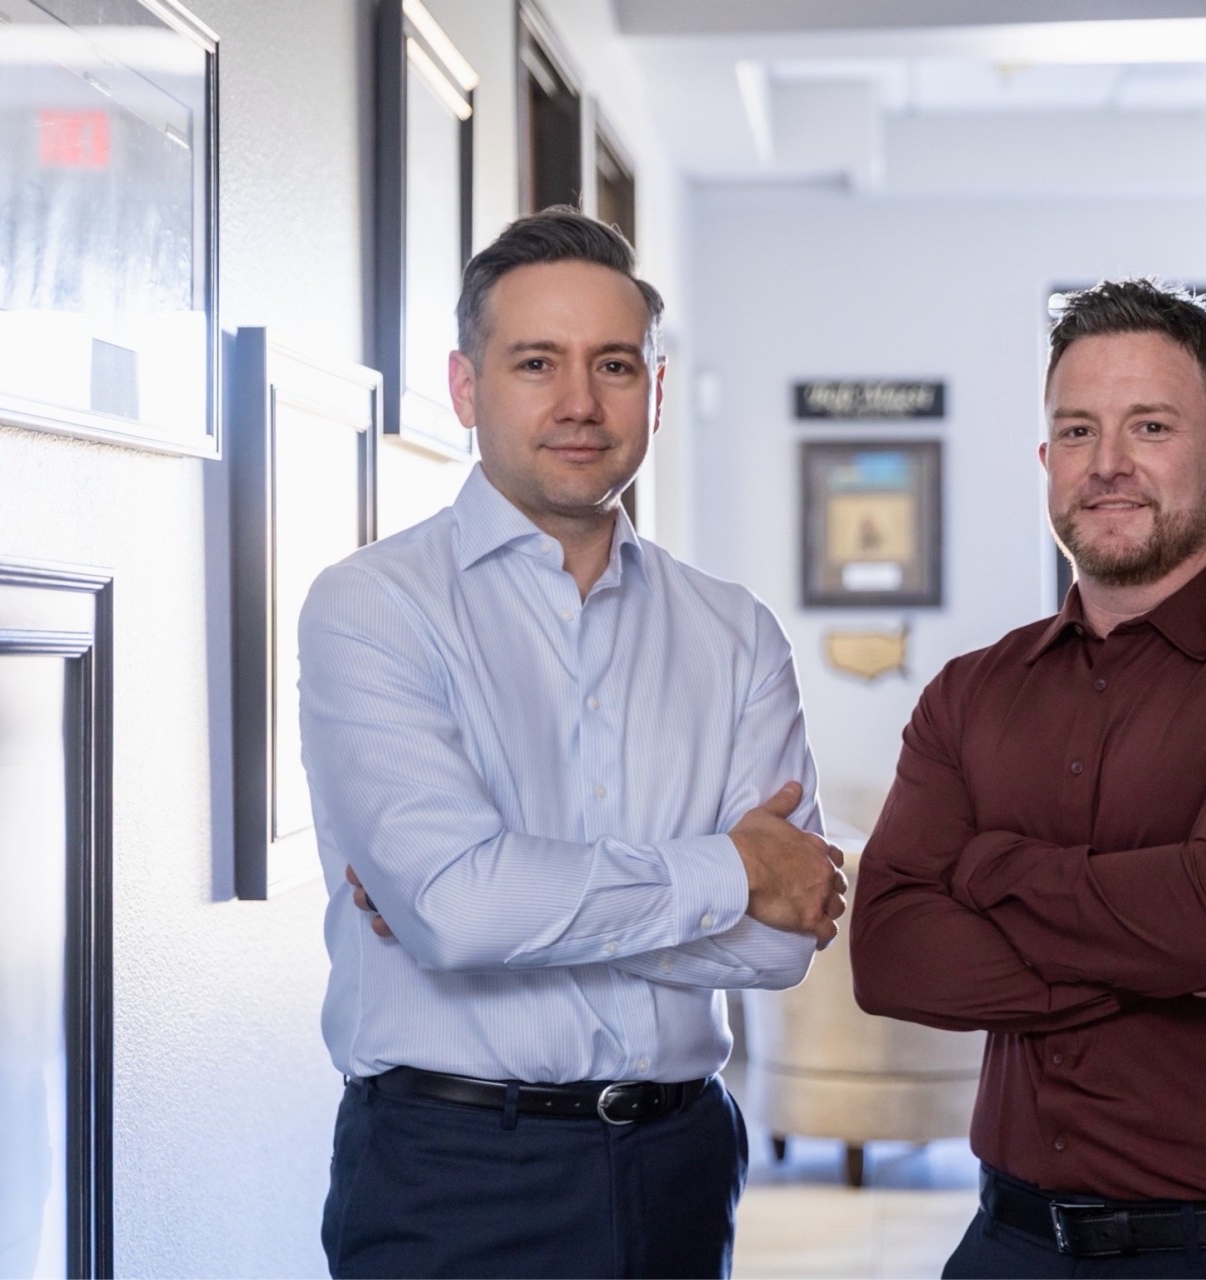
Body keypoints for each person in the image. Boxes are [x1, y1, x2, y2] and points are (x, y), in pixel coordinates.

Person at [298, 207, 846, 1279]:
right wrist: (730, 869)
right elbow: (460, 909)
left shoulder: (735, 633)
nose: (581, 404)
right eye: (537, 362)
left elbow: (784, 940)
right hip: (453, 1173)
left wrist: (506, 909)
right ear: (467, 387)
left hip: (678, 1165)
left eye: (615, 365)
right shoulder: (372, 607)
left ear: (654, 386)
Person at [848, 279, 1206, 1279]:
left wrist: (993, 867)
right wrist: (1165, 957)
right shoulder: (973, 690)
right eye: (1075, 430)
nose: (1106, 465)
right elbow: (890, 954)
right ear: (1046, 461)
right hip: (1005, 1245)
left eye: (1150, 426)